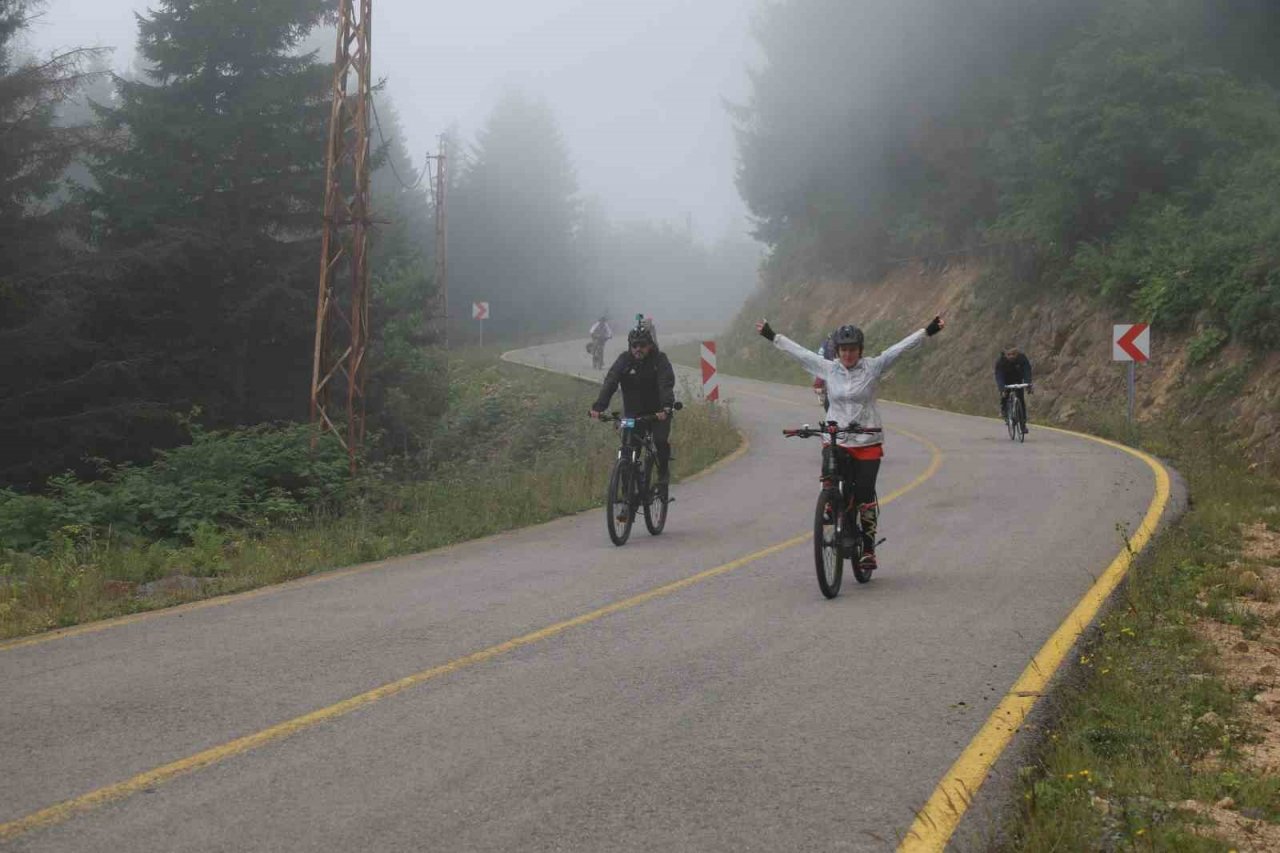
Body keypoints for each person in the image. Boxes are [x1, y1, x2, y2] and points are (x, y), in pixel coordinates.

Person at [757, 315, 945, 573]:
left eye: (853, 349)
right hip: (837, 438)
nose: (848, 354)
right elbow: (798, 353)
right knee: (830, 479)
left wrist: (928, 331)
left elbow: (900, 348)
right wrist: (771, 334)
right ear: (837, 351)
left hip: (867, 440)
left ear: (860, 350)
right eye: (844, 350)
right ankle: (833, 508)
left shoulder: (872, 367)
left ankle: (867, 548)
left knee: (865, 495)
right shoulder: (829, 368)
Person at [589, 320, 677, 496]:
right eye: (634, 345)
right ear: (630, 346)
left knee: (660, 441)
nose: (638, 349)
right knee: (628, 448)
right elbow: (611, 381)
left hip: (657, 413)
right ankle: (627, 492)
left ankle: (663, 473)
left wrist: (667, 407)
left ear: (650, 345)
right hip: (632, 414)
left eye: (642, 345)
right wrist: (599, 407)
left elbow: (665, 384)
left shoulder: (659, 360)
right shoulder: (624, 360)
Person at [994, 345, 1033, 432]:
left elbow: (1027, 370)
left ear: (1017, 353)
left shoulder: (1022, 358)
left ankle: (1023, 425)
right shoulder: (1001, 361)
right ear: (1005, 354)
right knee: (1005, 396)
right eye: (1009, 354)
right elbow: (999, 375)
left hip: (1017, 380)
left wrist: (1028, 384)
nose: (1011, 356)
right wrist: (1002, 388)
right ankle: (1005, 412)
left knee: (1021, 399)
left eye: (1014, 354)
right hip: (1006, 380)